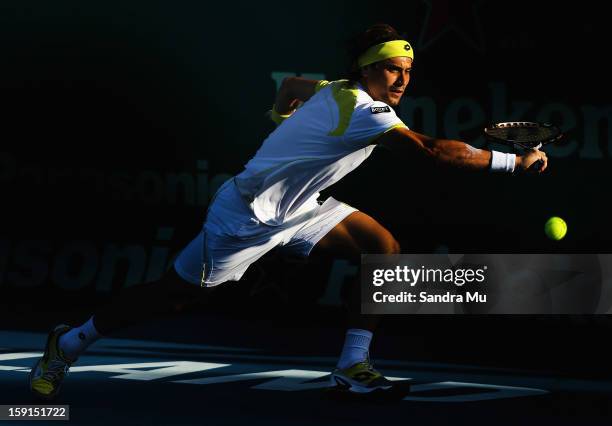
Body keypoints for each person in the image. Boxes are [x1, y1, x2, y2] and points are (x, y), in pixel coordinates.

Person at [29, 23, 548, 399]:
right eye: (393, 67)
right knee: (174, 296)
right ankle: (70, 341)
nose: (402, 79)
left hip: (302, 209)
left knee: (383, 248)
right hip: (245, 218)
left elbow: (296, 87)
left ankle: (352, 365)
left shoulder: (337, 90)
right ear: (367, 67)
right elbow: (436, 152)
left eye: (408, 70)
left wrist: (280, 114)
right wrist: (512, 162)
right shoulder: (365, 110)